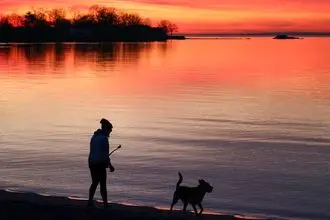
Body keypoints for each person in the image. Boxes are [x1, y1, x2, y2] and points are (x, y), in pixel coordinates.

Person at [88, 118, 115, 208]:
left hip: (91, 162)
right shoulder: (104, 139)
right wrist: (110, 166)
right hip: (99, 164)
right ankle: (105, 204)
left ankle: (90, 202)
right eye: (110, 131)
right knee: (103, 184)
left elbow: (93, 151)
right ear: (106, 129)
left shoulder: (94, 136)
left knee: (94, 182)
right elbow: (105, 155)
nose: (110, 133)